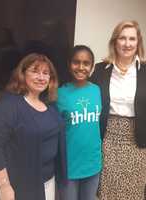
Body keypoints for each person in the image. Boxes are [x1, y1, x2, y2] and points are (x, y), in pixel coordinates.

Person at [0, 53, 67, 200]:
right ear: (22, 74)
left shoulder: (50, 104)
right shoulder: (6, 106)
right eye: (35, 71)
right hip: (17, 187)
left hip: (46, 182)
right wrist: (4, 186)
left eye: (45, 73)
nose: (41, 77)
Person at [90, 20, 146, 200]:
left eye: (132, 39)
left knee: (133, 192)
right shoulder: (99, 70)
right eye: (122, 38)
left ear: (138, 42)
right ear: (115, 41)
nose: (127, 44)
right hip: (107, 138)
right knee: (106, 192)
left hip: (138, 141)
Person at [56, 45, 102, 200]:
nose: (81, 67)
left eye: (86, 63)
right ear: (69, 64)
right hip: (69, 167)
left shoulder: (97, 90)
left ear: (92, 66)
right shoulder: (59, 93)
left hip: (93, 163)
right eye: (76, 62)